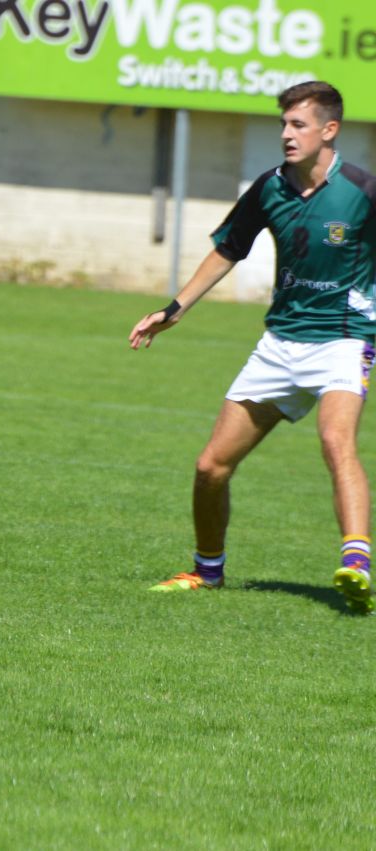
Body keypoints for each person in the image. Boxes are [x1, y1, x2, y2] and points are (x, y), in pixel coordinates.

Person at [130, 80, 376, 615]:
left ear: (329, 130)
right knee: (210, 467)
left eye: (299, 125)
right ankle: (207, 572)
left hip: (342, 340)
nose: (287, 135)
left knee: (337, 442)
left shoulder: (361, 190)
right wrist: (174, 310)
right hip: (280, 344)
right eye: (284, 124)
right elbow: (228, 250)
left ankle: (357, 563)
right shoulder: (270, 187)